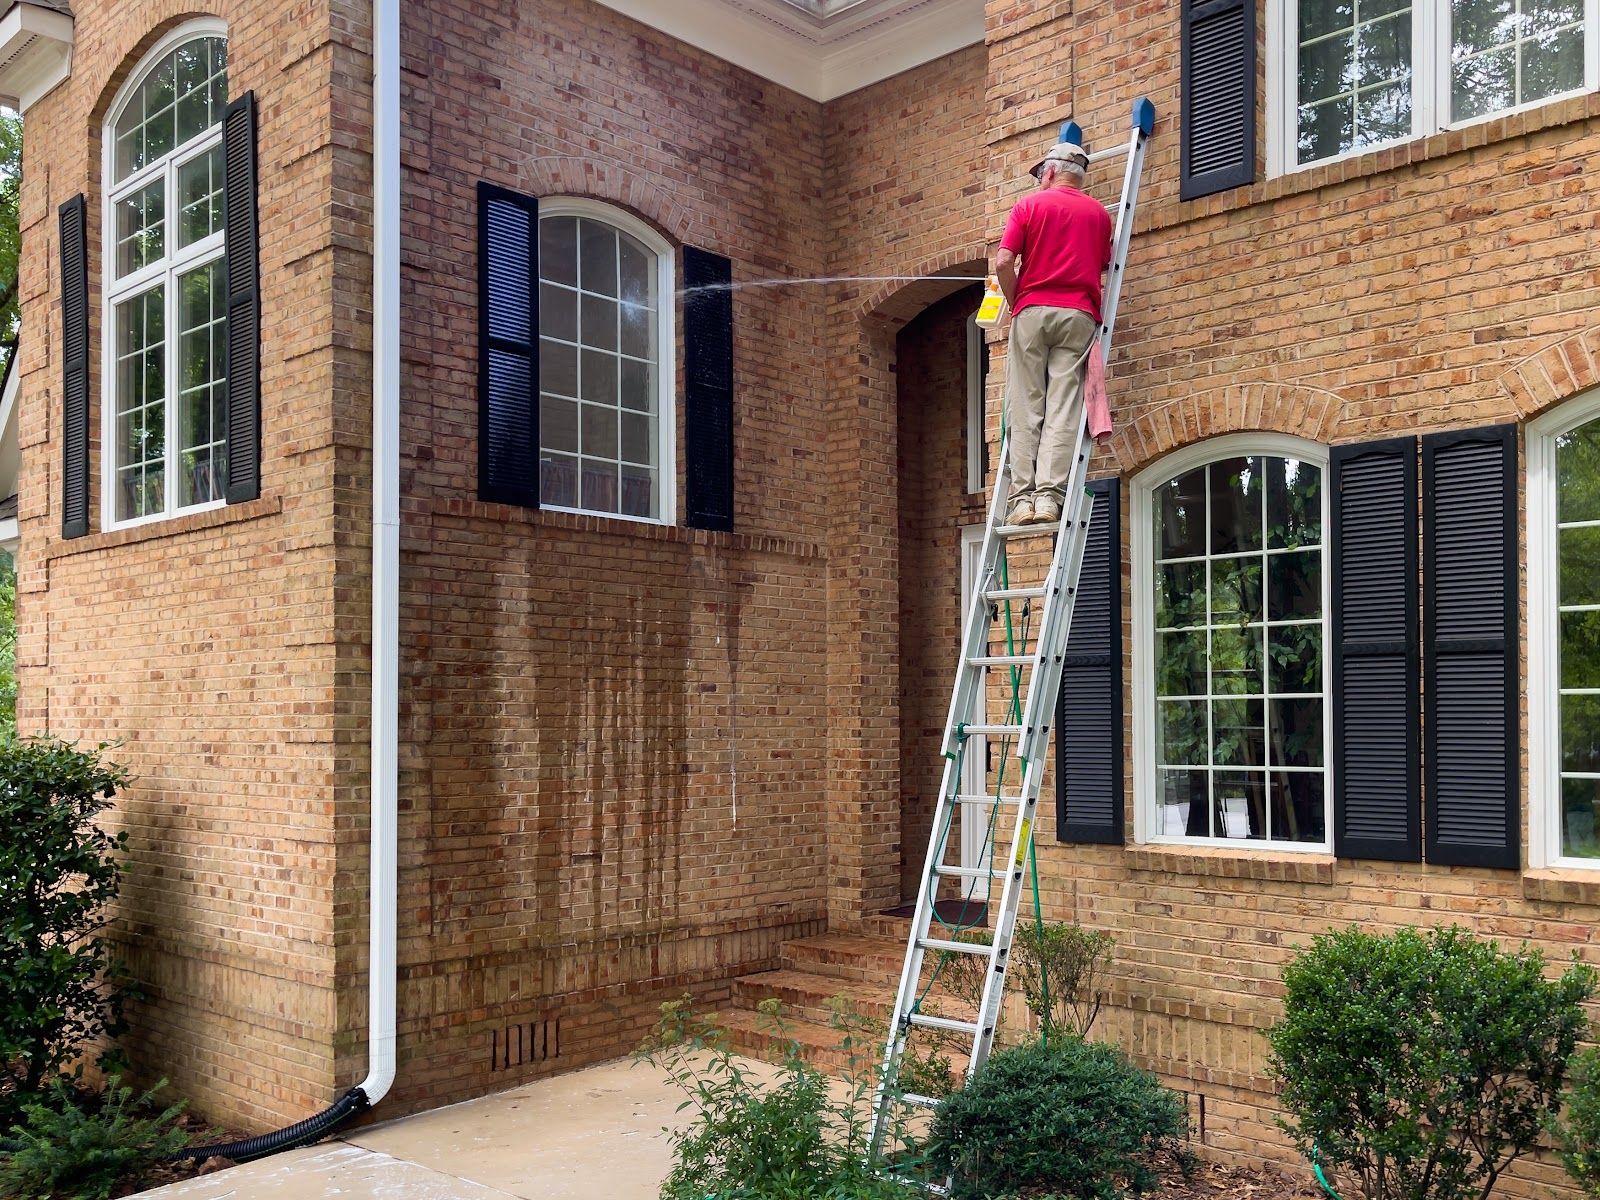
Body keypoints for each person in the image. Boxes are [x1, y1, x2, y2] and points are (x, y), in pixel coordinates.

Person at [994, 138, 1112, 526]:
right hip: (1078, 315)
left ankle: (1022, 499)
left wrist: (1015, 301)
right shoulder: (1099, 215)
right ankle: (1048, 498)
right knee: (1063, 406)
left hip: (1033, 312)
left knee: (1027, 404)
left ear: (1048, 172)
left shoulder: (1029, 205)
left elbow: (1004, 261)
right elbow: (1104, 265)